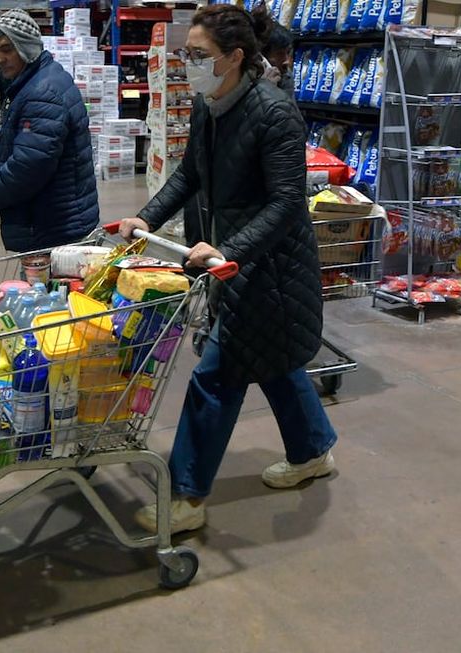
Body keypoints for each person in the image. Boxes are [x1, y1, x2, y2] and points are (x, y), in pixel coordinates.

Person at [119, 4, 338, 535]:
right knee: (276, 361)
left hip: (269, 268)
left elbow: (287, 202)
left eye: (199, 56)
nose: (188, 64)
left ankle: (187, 498)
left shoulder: (274, 112)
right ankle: (312, 451)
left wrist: (228, 250)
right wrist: (144, 217)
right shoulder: (208, 105)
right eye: (186, 55)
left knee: (217, 377)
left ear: (236, 58)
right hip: (232, 261)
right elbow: (190, 174)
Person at [0, 8, 98, 252]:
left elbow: (28, 170)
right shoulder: (35, 81)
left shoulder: (41, 92)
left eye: (7, 49)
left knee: (51, 289)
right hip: (54, 220)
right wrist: (0, 152)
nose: (0, 59)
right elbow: (36, 146)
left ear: (27, 46)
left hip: (53, 228)